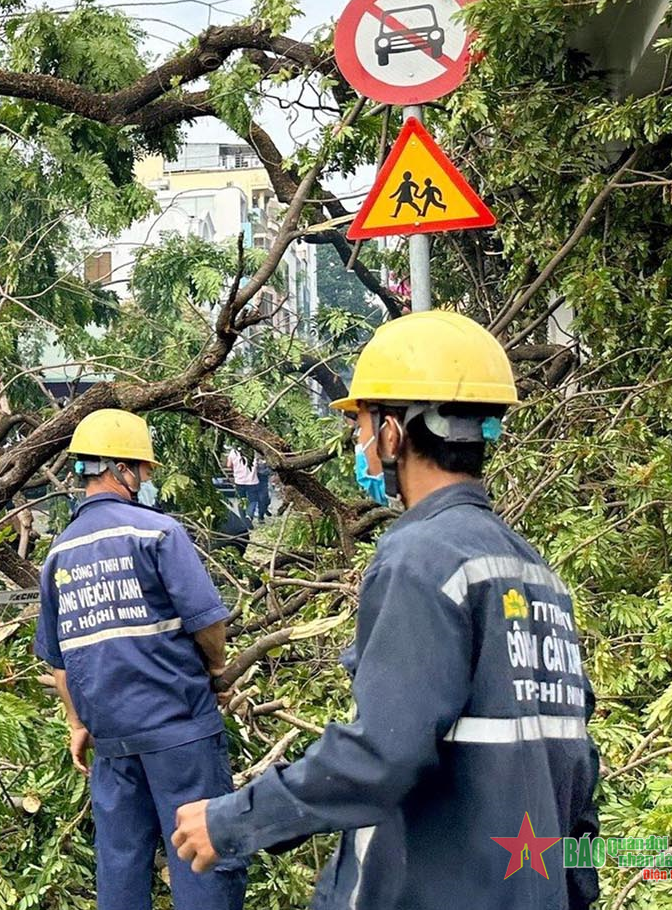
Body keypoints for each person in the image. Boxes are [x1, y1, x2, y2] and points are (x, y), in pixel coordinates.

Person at [171, 311, 600, 910]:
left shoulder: (420, 557)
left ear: (394, 434)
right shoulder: (536, 573)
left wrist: (232, 821)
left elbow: (383, 753)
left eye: (362, 425)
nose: (358, 443)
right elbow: (579, 778)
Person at [36, 409, 242, 910]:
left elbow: (60, 661)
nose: (145, 481)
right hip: (180, 733)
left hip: (112, 741)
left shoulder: (59, 554)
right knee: (204, 858)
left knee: (121, 867)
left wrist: (75, 722)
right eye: (143, 472)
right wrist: (217, 670)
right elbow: (207, 621)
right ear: (120, 468)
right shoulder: (157, 533)